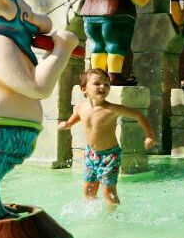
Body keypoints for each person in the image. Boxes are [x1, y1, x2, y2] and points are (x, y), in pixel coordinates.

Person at [59, 68, 156, 206]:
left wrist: (149, 135)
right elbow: (74, 119)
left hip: (110, 156)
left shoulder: (112, 109)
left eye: (106, 84)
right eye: (97, 83)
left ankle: (113, 214)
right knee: (88, 189)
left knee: (108, 191)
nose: (103, 87)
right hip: (91, 154)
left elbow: (138, 115)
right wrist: (67, 124)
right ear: (84, 89)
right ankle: (93, 211)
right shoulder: (80, 107)